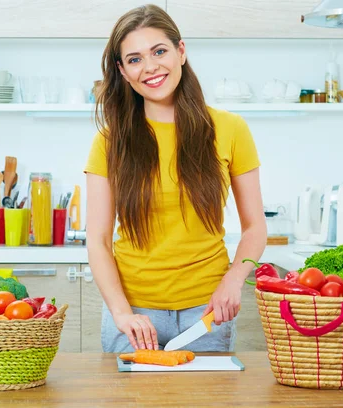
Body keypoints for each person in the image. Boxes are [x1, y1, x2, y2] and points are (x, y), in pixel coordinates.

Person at [84, 4, 266, 353]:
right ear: (122, 71)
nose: (150, 67)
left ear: (181, 52)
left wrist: (233, 281)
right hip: (134, 316)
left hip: (207, 312)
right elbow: (99, 241)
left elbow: (255, 228)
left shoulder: (230, 129)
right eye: (135, 59)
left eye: (159, 51)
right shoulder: (109, 141)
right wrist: (122, 315)